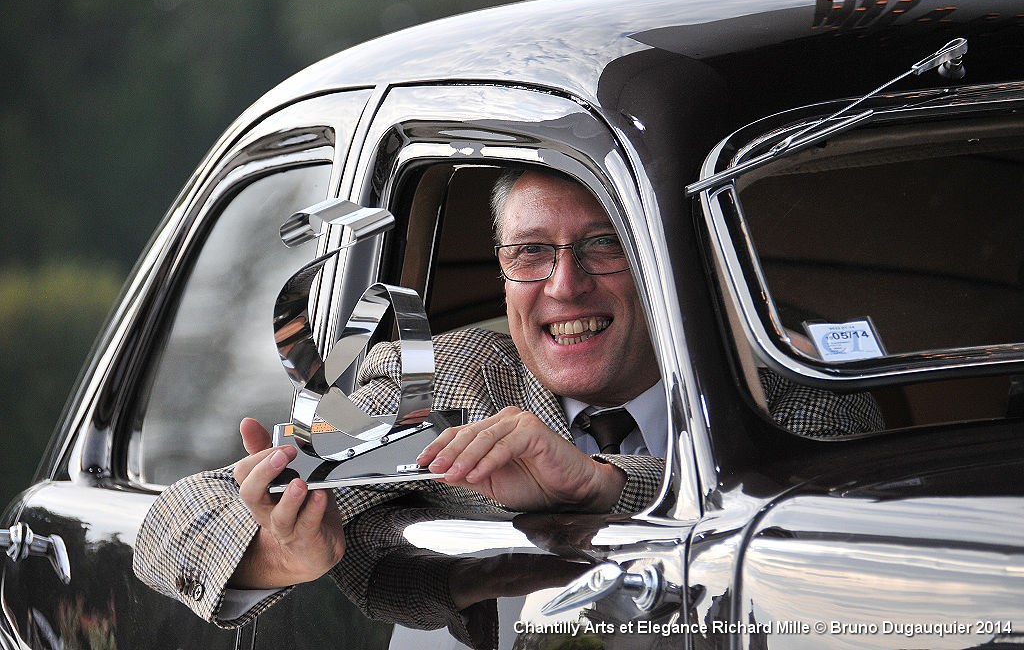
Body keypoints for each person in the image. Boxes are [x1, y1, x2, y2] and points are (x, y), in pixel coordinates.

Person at [133, 167, 881, 632]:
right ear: (502, 271)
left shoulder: (783, 388)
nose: (565, 286)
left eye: (605, 245)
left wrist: (604, 488)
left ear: (665, 264)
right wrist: (276, 549)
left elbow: (836, 532)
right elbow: (174, 525)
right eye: (530, 253)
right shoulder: (439, 382)